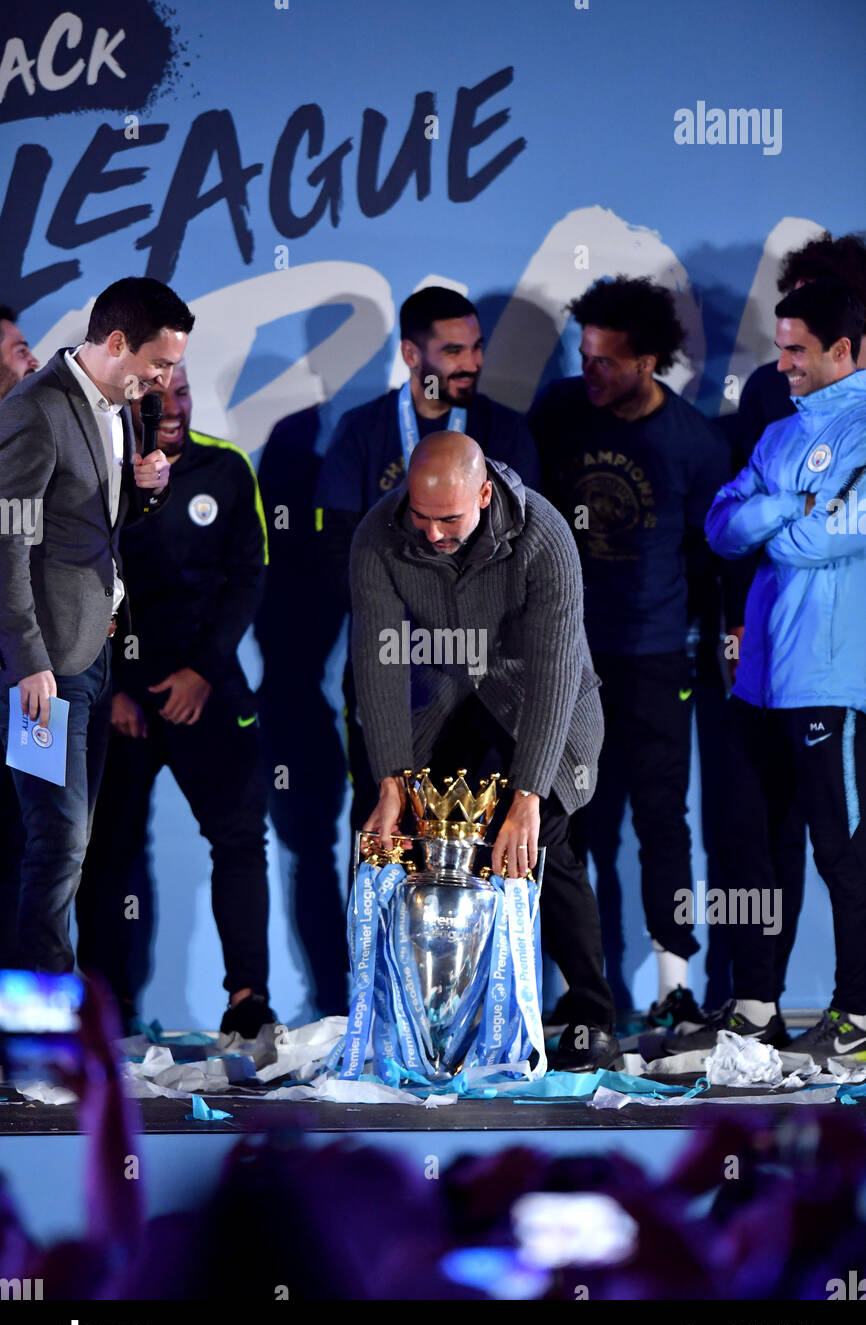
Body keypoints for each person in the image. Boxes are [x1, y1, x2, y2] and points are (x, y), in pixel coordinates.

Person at [350, 429, 620, 1072]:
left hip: (535, 698)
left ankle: (591, 1019)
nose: (435, 534)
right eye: (422, 517)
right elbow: (379, 664)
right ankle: (422, 1028)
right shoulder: (377, 535)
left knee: (537, 848)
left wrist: (528, 796)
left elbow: (556, 669)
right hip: (440, 694)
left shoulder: (545, 535)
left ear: (486, 493)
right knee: (392, 840)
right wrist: (390, 781)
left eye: (450, 519)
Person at [529, 276, 730, 1029]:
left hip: (653, 660)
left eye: (608, 361)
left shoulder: (697, 444)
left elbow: (714, 558)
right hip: (566, 658)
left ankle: (673, 989)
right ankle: (580, 995)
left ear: (650, 362)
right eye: (586, 356)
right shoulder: (557, 414)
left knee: (660, 819)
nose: (592, 373)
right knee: (569, 825)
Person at [691, 280, 866, 1064]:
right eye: (781, 345)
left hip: (835, 680)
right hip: (762, 682)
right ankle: (757, 1006)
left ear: (847, 350)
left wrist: (782, 522)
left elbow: (829, 536)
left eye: (798, 349)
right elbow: (723, 527)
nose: (782, 362)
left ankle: (858, 1017)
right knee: (757, 849)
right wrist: (787, 507)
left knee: (844, 850)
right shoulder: (778, 432)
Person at [0, 276, 192, 981]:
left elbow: (86, 527)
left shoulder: (120, 408)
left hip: (88, 660)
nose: (167, 381)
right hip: (41, 672)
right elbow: (7, 542)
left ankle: (34, 1028)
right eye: (160, 364)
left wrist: (149, 494)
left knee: (61, 842)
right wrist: (28, 663)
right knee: (54, 842)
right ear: (115, 343)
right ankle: (38, 1036)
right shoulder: (37, 411)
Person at [75, 363, 274, 1039]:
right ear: (133, 404)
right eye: (162, 398)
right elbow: (80, 583)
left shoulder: (228, 469)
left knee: (241, 842)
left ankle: (249, 1003)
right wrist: (114, 690)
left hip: (207, 685)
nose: (176, 408)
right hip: (119, 693)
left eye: (185, 393)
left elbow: (249, 577)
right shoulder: (101, 475)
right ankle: (108, 1010)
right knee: (108, 853)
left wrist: (203, 672)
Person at [316, 284, 542, 826]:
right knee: (388, 827)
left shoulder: (504, 431)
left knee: (484, 833)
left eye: (477, 348)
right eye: (454, 352)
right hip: (395, 665)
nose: (473, 364)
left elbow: (528, 556)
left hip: (490, 671)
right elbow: (337, 557)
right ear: (412, 355)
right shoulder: (362, 432)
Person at [0, 308, 39, 965]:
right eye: (17, 349)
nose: (31, 360)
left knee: (43, 843)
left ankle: (33, 1039)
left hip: (39, 685)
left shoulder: (48, 438)